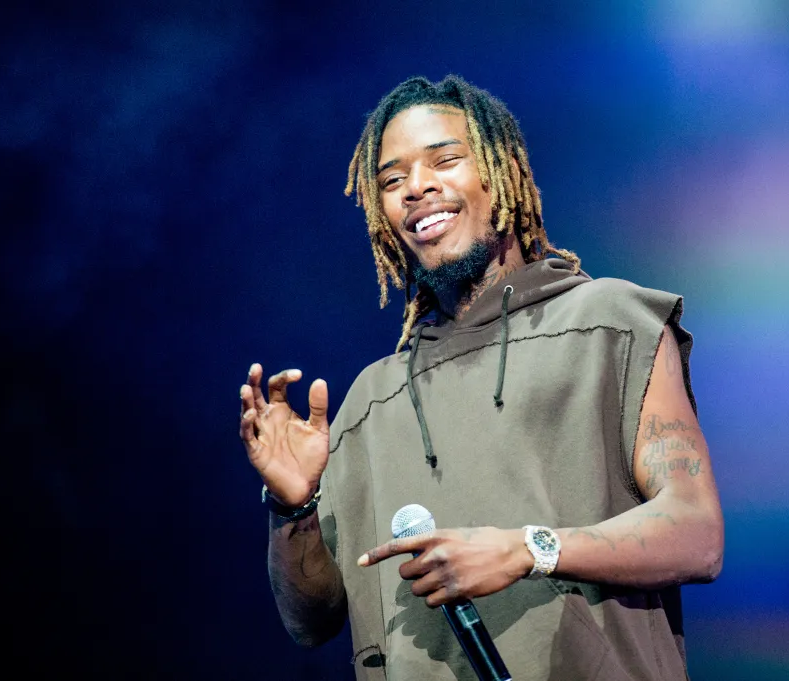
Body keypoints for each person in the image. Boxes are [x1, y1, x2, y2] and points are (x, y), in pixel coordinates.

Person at [239, 75, 724, 681]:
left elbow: (696, 534)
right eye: (391, 181)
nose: (416, 188)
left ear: (503, 171)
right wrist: (294, 507)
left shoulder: (609, 323)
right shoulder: (370, 401)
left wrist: (529, 549)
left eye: (445, 160)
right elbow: (309, 620)